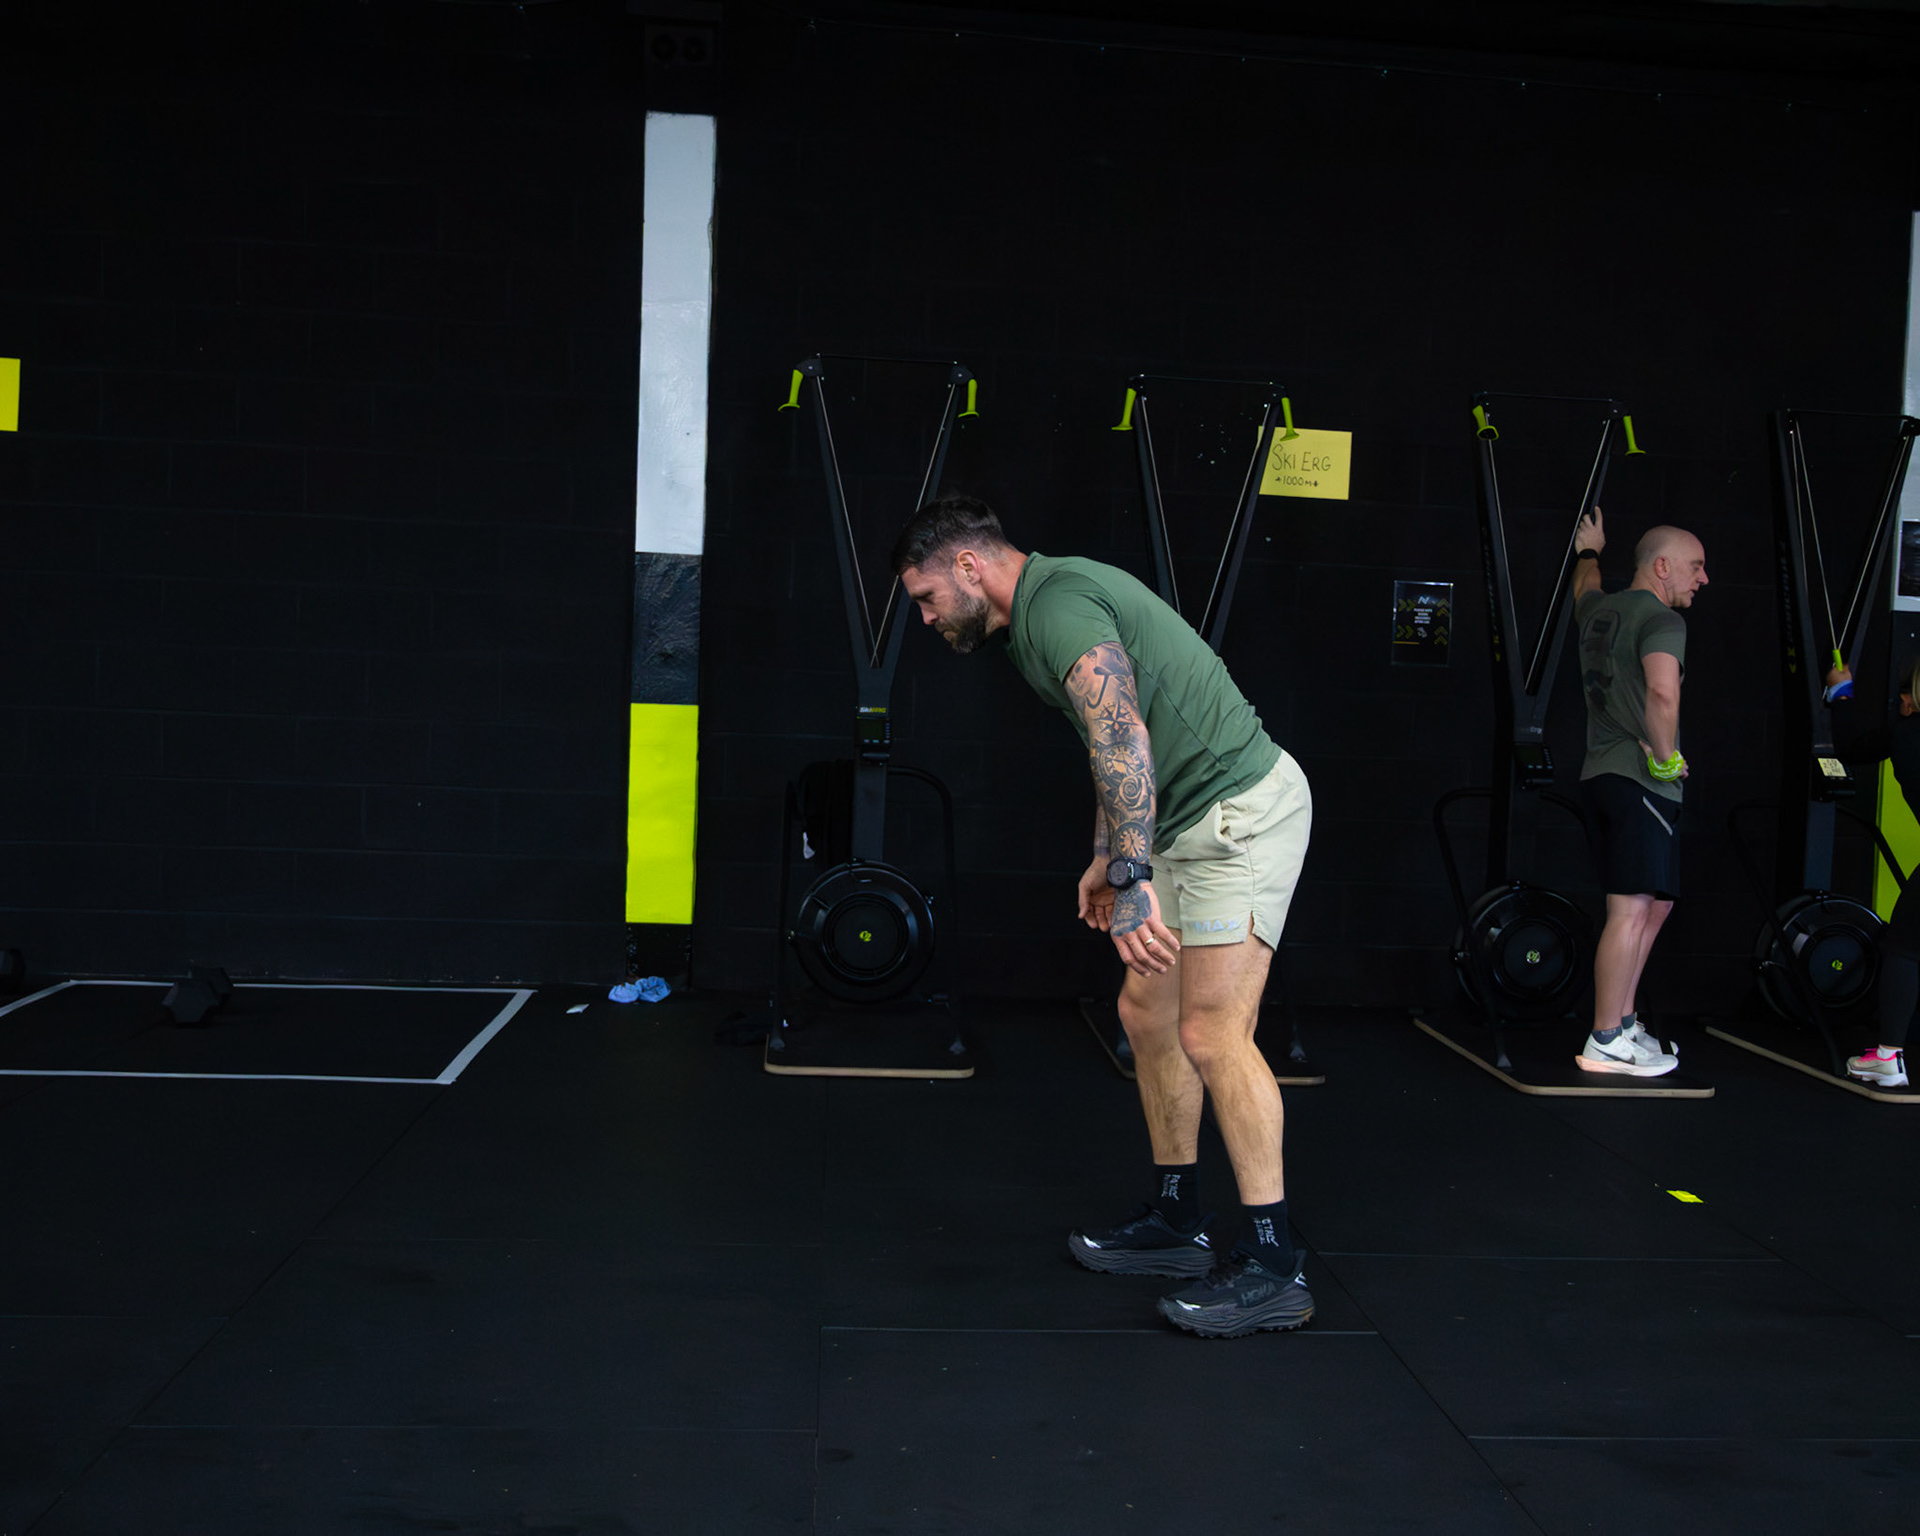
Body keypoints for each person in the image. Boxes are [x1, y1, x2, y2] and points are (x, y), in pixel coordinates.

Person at [891, 494, 1314, 1337]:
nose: (928, 619)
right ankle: (1178, 1220)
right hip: (1182, 823)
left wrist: (1130, 874)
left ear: (969, 567)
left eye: (928, 599)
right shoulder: (1033, 619)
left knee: (1214, 1032)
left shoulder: (1058, 606)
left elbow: (1123, 736)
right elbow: (1109, 741)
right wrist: (1108, 854)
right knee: (1147, 1014)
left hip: (1239, 816)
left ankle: (1275, 1264)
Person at [1570, 509, 1709, 1076]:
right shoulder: (1662, 620)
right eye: (1695, 567)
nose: (1703, 579)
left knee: (1656, 904)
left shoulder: (1599, 611)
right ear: (1662, 567)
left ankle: (1624, 1023)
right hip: (1639, 779)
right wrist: (1667, 756)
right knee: (1629, 910)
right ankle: (1605, 1037)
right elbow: (1662, 693)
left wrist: (1589, 551)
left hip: (1605, 778)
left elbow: (1585, 586)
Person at [1826, 656, 1920, 1088]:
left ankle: (1887, 1057)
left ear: (1909, 700)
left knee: (1904, 949)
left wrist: (1841, 692)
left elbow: (1851, 747)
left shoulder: (1906, 733)